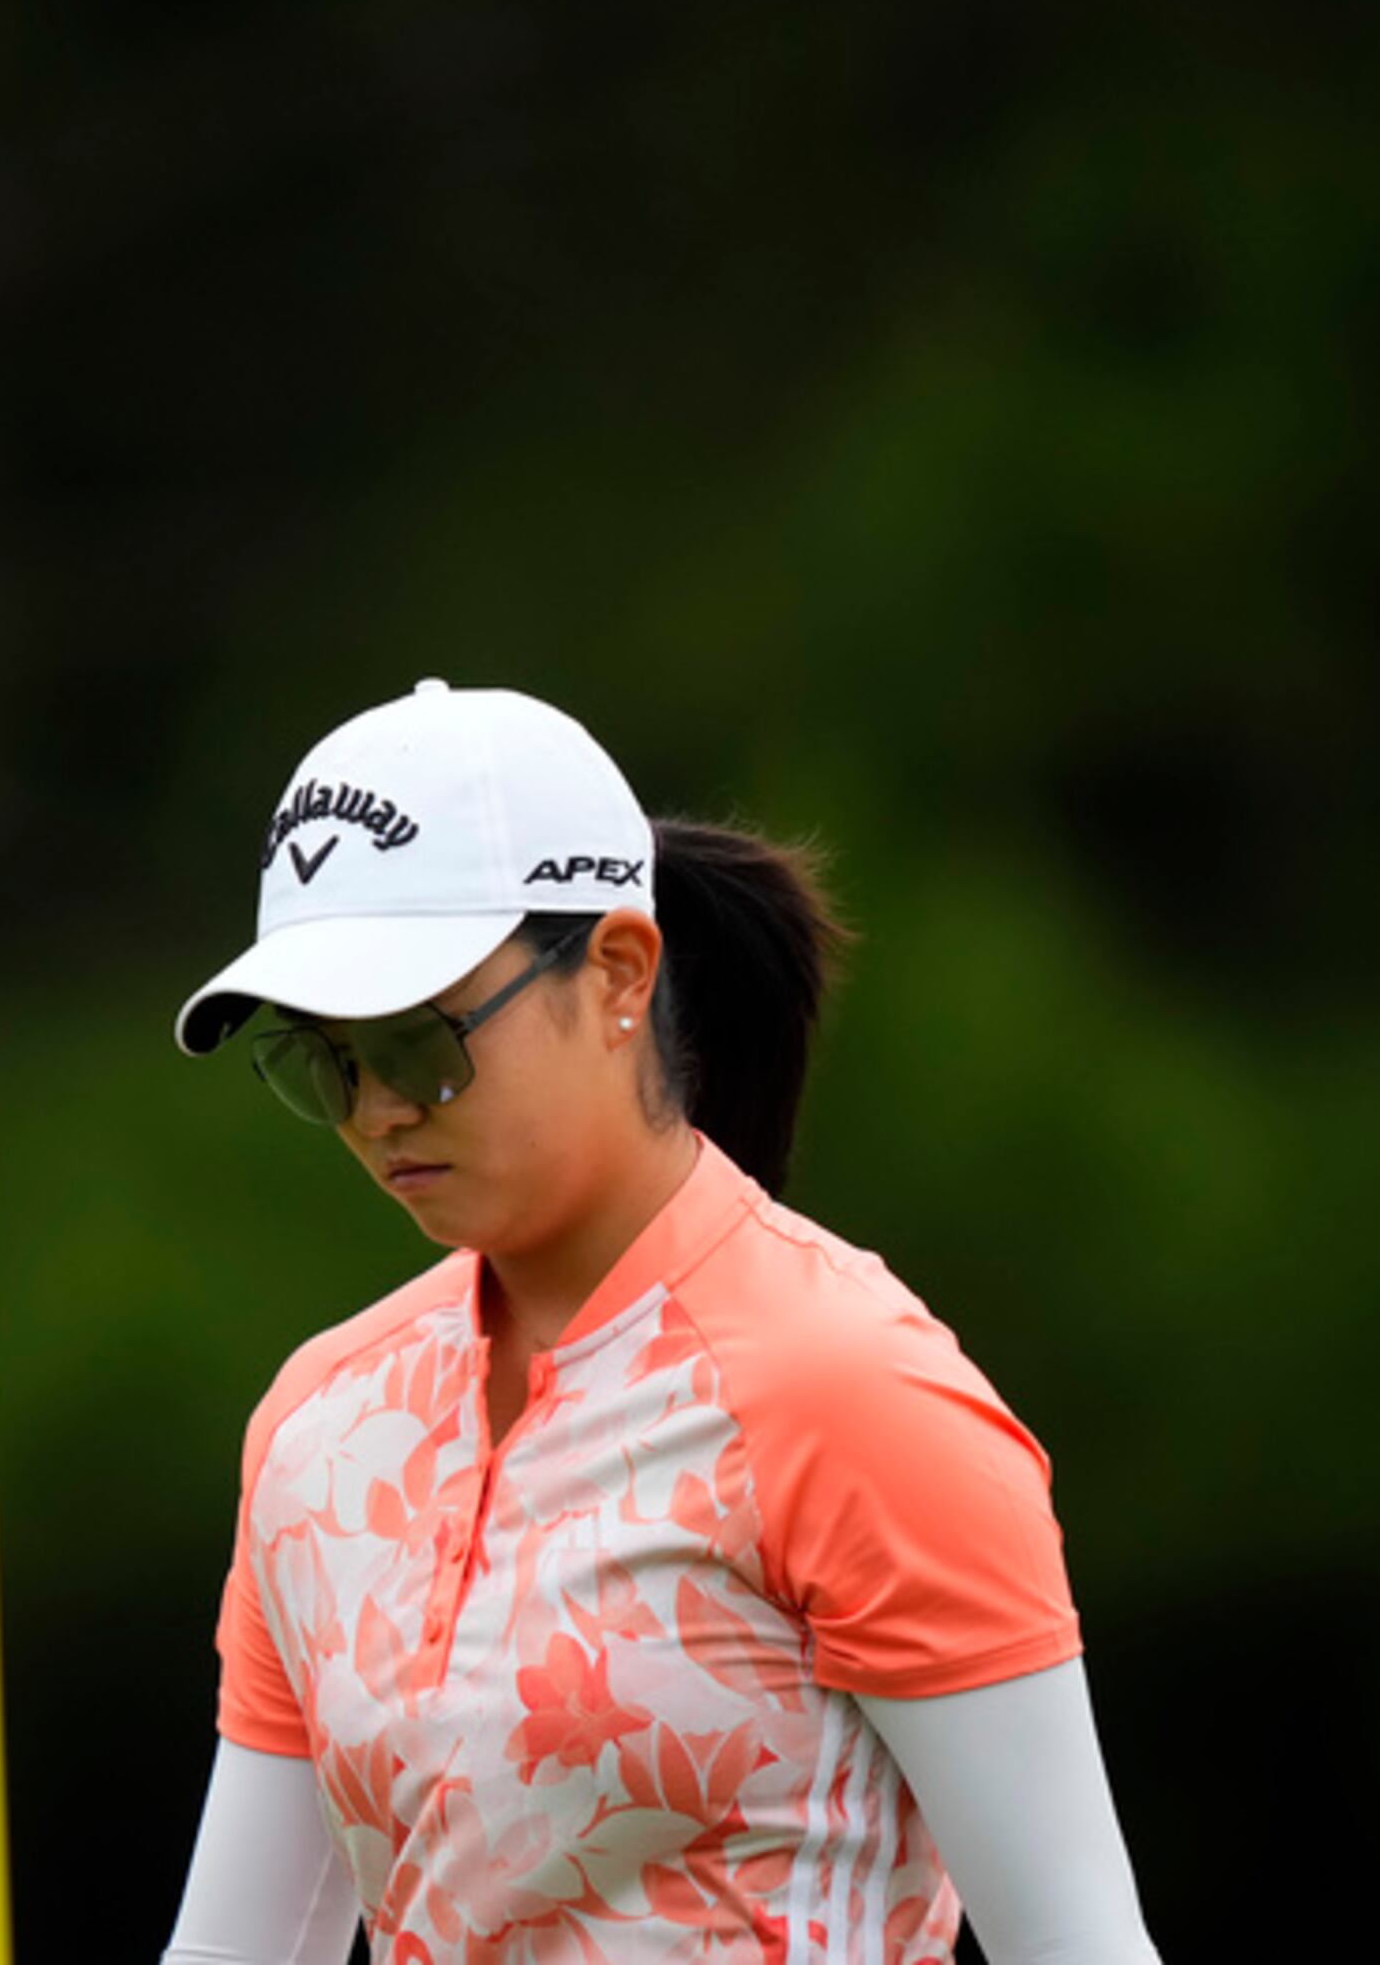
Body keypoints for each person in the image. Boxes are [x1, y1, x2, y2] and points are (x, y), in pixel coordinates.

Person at [162, 679, 1163, 1965]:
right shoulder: (317, 1425)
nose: (376, 1112)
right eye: (325, 1057)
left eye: (417, 1042)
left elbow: (1076, 1940)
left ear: (622, 970)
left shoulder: (853, 1388)